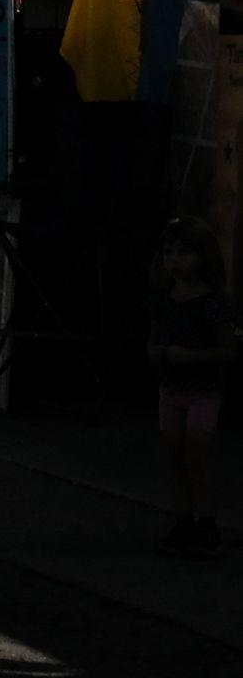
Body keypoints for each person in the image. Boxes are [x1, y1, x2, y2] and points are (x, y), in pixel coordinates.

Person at [148, 215, 229, 557]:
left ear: (202, 257)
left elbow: (227, 350)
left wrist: (190, 357)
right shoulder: (165, 299)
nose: (174, 260)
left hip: (202, 390)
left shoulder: (212, 302)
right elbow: (153, 339)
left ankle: (205, 521)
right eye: (168, 252)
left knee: (195, 454)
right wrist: (157, 353)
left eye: (183, 252)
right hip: (171, 389)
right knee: (175, 456)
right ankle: (183, 519)